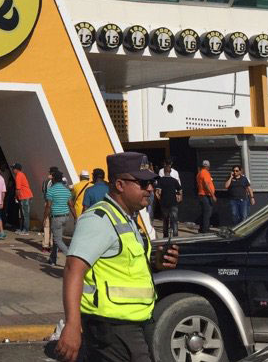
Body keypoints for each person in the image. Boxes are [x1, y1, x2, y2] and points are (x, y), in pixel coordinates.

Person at [56, 152, 178, 362]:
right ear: (120, 185)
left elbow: (124, 266)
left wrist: (157, 263)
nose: (150, 188)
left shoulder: (128, 218)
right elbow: (73, 270)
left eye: (151, 182)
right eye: (143, 183)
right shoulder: (99, 219)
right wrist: (72, 325)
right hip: (111, 328)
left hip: (134, 323)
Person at [45, 170, 73, 266]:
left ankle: (71, 256)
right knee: (57, 239)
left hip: (56, 217)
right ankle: (52, 259)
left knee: (57, 240)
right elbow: (71, 204)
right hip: (66, 217)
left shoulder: (51, 190)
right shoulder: (66, 190)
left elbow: (48, 206)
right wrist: (76, 217)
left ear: (54, 179)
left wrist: (45, 218)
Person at [154, 169, 182, 238]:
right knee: (174, 220)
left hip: (164, 203)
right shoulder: (174, 180)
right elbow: (180, 190)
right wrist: (179, 197)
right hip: (173, 203)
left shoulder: (161, 180)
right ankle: (175, 236)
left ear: (164, 172)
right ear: (170, 172)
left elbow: (157, 192)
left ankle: (165, 236)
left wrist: (159, 199)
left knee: (165, 221)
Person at [12, 163, 34, 235]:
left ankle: (25, 230)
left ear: (16, 169)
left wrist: (15, 197)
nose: (12, 170)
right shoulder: (21, 174)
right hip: (25, 197)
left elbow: (18, 189)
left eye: (13, 168)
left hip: (25, 197)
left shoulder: (18, 175)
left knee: (25, 214)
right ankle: (22, 229)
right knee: (22, 214)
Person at [196, 160, 216, 233]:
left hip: (201, 195)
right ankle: (205, 230)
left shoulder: (199, 173)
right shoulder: (205, 173)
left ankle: (202, 228)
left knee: (204, 213)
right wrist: (213, 195)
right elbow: (206, 184)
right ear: (207, 166)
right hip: (205, 196)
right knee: (208, 213)